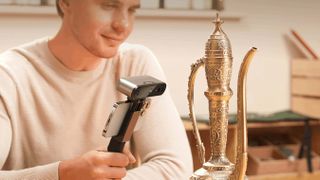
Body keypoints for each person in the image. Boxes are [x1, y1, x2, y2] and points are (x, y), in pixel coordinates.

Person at [0, 0, 193, 179]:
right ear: (66, 2)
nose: (123, 25)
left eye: (132, 9)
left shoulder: (135, 63)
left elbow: (175, 168)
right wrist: (63, 173)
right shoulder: (9, 74)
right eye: (109, 5)